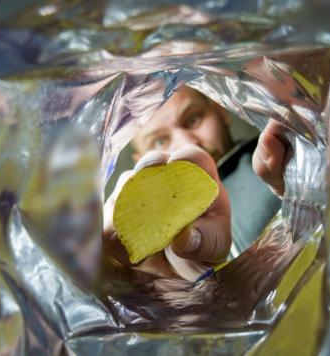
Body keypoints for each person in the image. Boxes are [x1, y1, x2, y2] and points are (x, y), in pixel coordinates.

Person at [103, 86, 288, 282]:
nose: (187, 142)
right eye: (159, 142)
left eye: (193, 119)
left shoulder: (278, 160)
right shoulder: (156, 238)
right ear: (140, 158)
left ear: (221, 111)